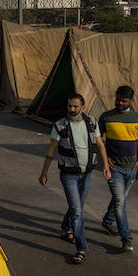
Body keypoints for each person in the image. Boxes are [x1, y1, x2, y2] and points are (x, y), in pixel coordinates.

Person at [39, 93, 110, 264]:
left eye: (75, 106)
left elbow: (100, 145)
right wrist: (44, 173)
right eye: (70, 106)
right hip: (69, 176)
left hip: (86, 175)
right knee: (77, 212)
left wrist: (106, 166)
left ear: (82, 107)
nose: (72, 109)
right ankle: (81, 248)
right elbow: (51, 151)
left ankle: (66, 228)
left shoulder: (92, 123)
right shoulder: (60, 126)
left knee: (77, 207)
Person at [99, 85, 138, 253]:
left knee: (119, 198)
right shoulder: (106, 117)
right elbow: (97, 138)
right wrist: (105, 158)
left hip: (132, 168)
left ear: (131, 101)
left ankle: (108, 221)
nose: (120, 103)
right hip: (115, 169)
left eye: (124, 101)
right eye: (118, 100)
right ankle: (126, 238)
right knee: (120, 202)